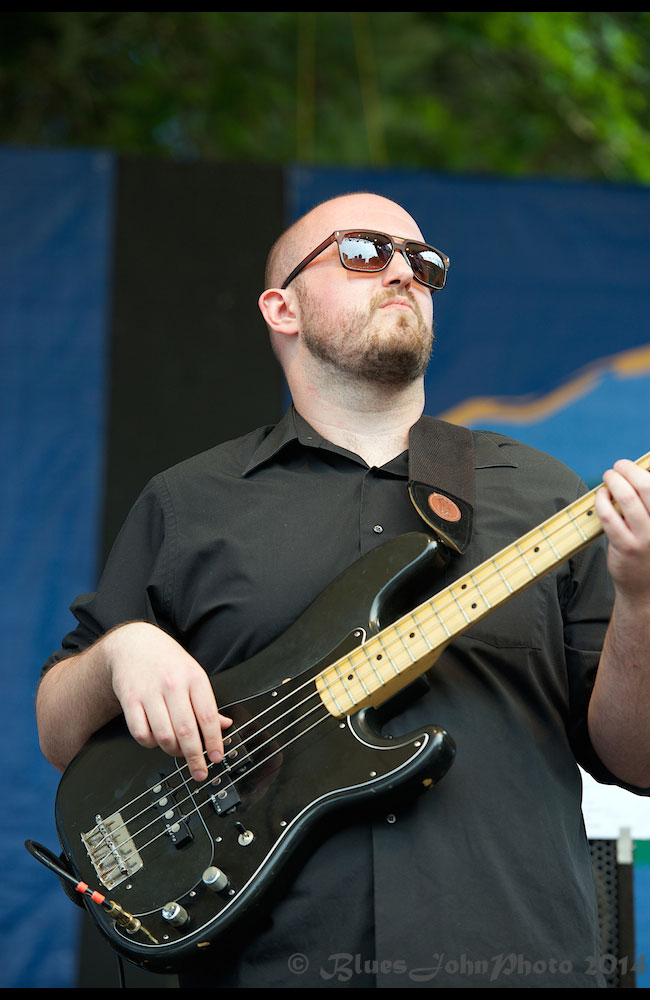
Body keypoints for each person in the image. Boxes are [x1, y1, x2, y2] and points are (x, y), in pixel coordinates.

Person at [37, 193, 650, 988]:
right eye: (363, 251)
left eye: (423, 264)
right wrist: (123, 651)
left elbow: (636, 760)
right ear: (281, 307)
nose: (403, 271)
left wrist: (640, 598)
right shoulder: (190, 503)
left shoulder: (540, 493)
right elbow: (59, 732)